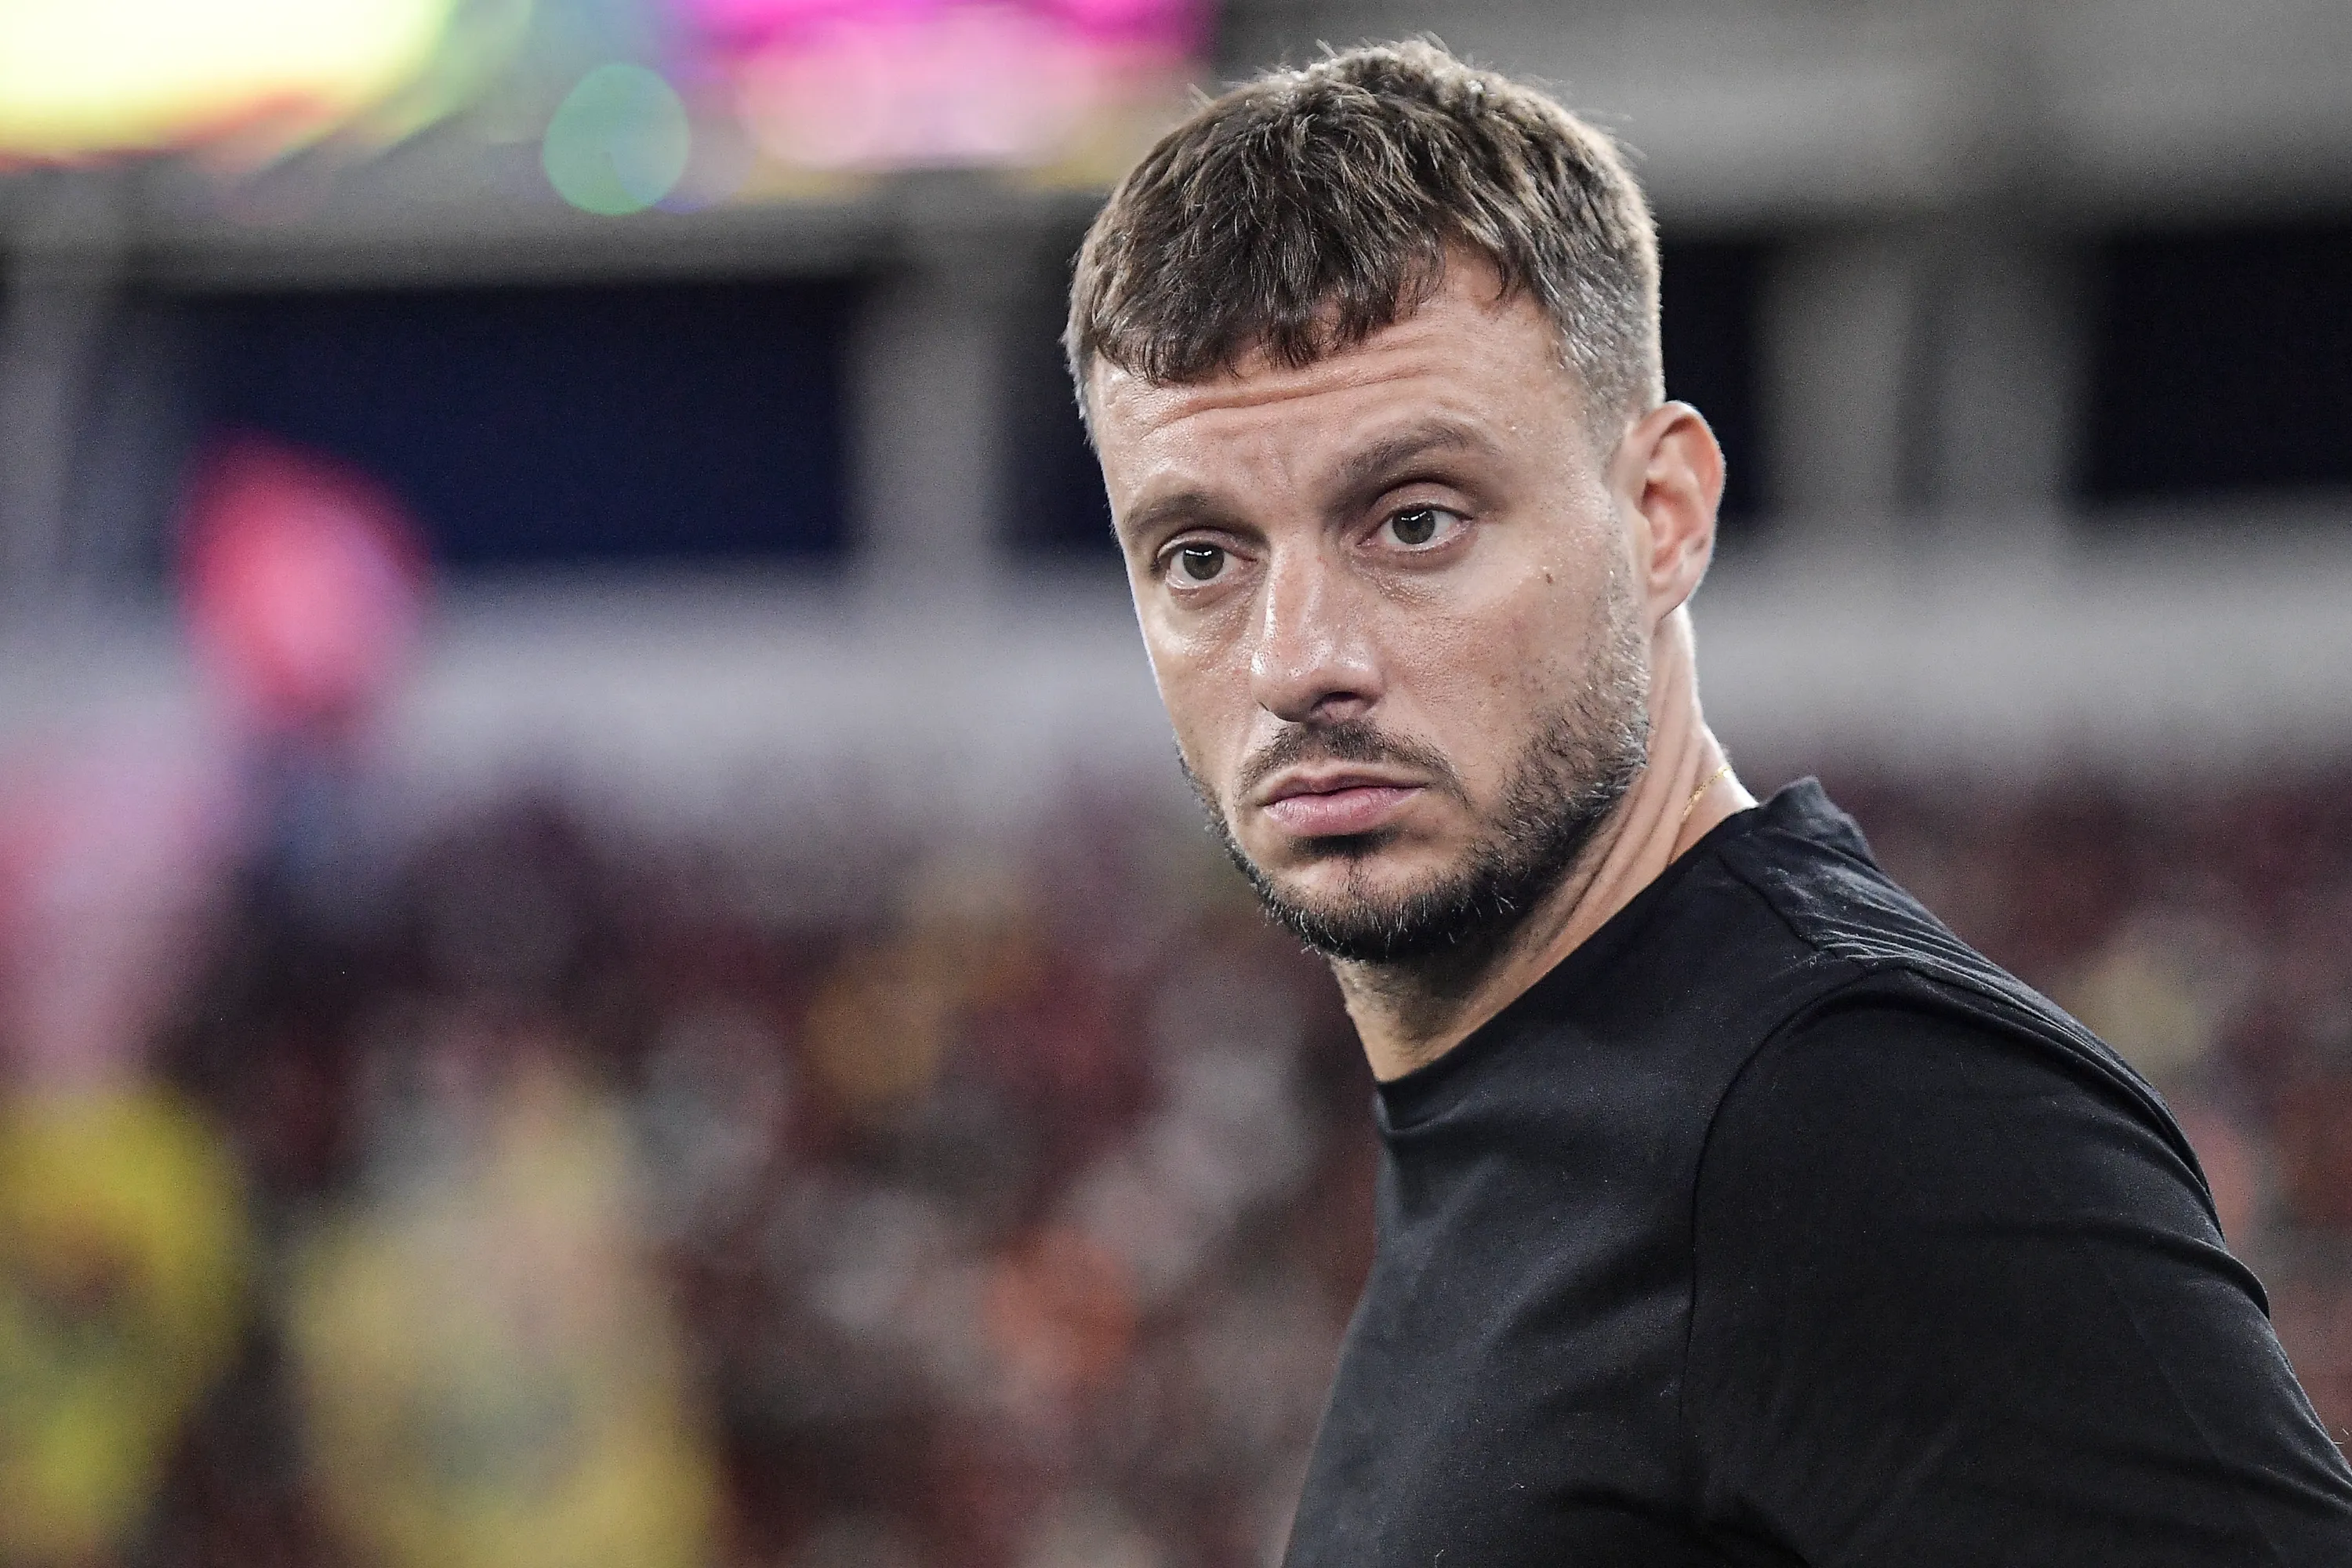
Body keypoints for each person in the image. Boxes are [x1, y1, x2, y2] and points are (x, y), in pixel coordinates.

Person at [1062, 39, 2352, 1566]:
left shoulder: (1863, 1127)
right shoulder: (1547, 1096)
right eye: (1201, 556)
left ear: (1663, 514)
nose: (1298, 663)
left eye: (1413, 519)